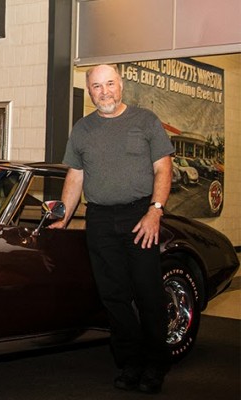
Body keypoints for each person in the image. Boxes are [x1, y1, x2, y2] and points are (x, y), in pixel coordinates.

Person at [49, 64, 174, 394]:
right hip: (100, 219)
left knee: (148, 293)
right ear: (89, 91)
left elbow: (163, 169)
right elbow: (75, 177)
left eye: (109, 84)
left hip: (140, 216)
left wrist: (155, 211)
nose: (103, 91)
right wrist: (62, 217)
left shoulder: (145, 121)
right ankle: (130, 362)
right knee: (113, 297)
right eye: (96, 86)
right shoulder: (82, 129)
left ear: (121, 85)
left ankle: (155, 364)